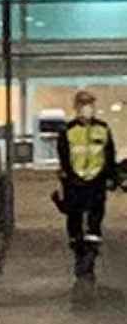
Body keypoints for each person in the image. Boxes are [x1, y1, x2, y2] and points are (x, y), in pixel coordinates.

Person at [57, 90, 119, 306]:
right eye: (83, 104)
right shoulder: (67, 130)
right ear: (76, 107)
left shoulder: (103, 129)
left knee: (94, 221)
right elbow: (64, 158)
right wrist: (68, 180)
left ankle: (89, 258)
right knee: (74, 221)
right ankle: (78, 251)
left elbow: (109, 154)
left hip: (96, 182)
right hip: (75, 183)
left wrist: (112, 177)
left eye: (90, 104)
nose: (87, 108)